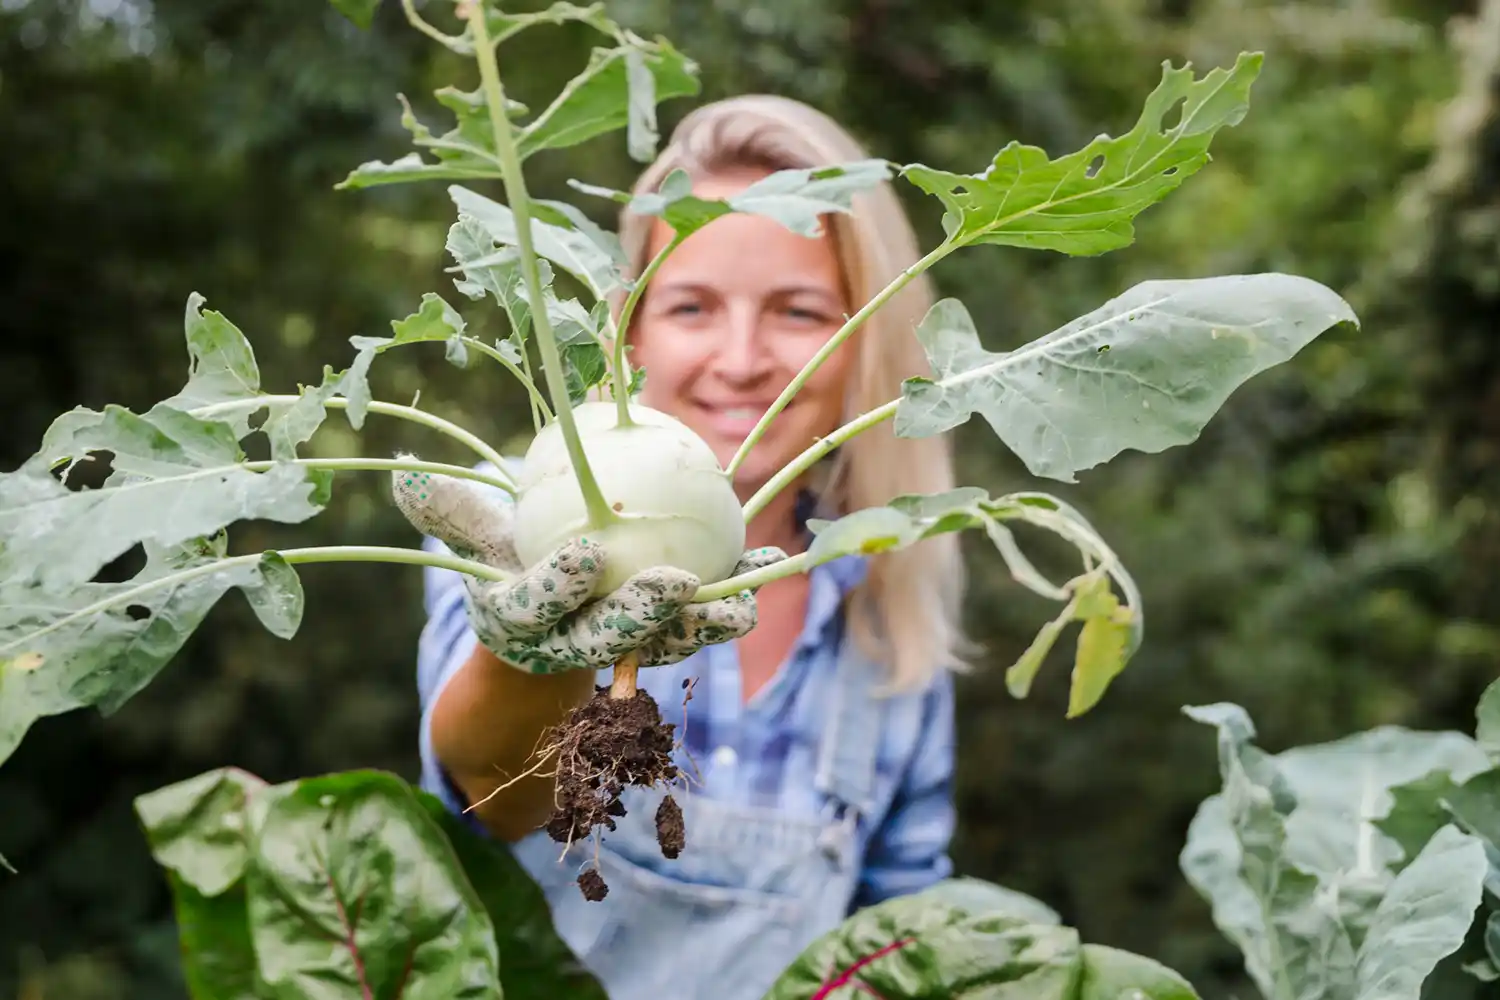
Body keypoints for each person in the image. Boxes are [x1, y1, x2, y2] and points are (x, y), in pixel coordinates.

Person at [395, 93, 971, 1000]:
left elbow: (902, 931)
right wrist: (530, 649)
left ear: (869, 338)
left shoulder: (891, 591)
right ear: (627, 331)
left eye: (798, 311)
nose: (741, 359)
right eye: (694, 306)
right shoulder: (522, 514)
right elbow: (491, 801)